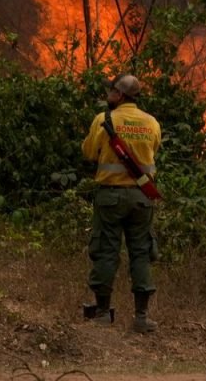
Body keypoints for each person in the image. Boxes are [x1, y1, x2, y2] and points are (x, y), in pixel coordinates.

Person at [80, 74, 162, 333]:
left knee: (106, 250)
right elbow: (153, 152)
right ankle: (141, 317)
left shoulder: (103, 121)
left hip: (110, 197)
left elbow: (89, 153)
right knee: (140, 253)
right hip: (141, 198)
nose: (109, 94)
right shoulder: (151, 123)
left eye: (112, 91)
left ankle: (103, 313)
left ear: (121, 95)